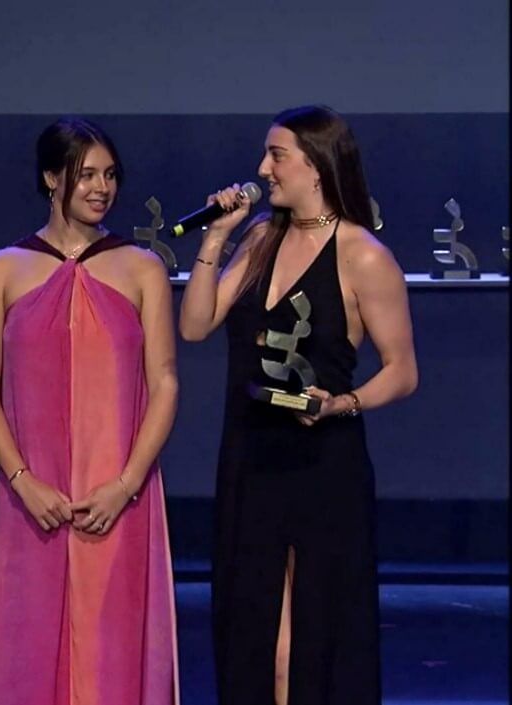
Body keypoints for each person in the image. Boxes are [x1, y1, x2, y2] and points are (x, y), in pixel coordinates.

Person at [177, 105, 418, 705]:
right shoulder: (260, 237)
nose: (262, 168)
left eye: (276, 155)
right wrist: (216, 236)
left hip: (320, 461)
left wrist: (343, 403)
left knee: (311, 627)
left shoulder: (362, 254)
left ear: (316, 167)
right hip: (250, 454)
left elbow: (403, 372)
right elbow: (195, 324)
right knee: (254, 620)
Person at [0, 117, 180, 704]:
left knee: (111, 654)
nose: (101, 187)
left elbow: (164, 383)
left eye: (110, 174)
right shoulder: (3, 268)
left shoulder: (141, 268)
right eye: (86, 174)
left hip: (118, 494)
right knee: (24, 646)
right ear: (51, 177)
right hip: (28, 497)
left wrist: (126, 484)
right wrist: (22, 480)